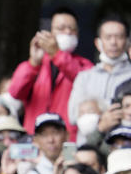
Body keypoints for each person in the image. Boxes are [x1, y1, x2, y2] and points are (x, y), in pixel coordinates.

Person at [8, 7, 93, 138]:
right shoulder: (37, 63)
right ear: (49, 32)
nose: (68, 32)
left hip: (67, 139)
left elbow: (85, 83)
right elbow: (15, 92)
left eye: (72, 29)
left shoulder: (84, 65)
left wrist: (57, 54)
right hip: (35, 138)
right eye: (61, 28)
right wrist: (33, 64)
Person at [68, 15, 131, 127]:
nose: (113, 42)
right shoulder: (84, 77)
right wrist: (108, 116)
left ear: (127, 42)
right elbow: (73, 115)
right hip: (88, 143)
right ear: (98, 43)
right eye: (108, 37)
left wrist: (93, 109)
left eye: (119, 37)